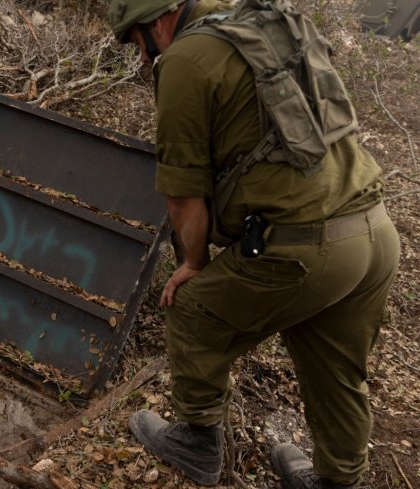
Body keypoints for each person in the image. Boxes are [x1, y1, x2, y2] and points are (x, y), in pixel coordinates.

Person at [106, 0, 401, 487]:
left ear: (158, 20)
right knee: (336, 366)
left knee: (191, 310)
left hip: (308, 248)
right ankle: (338, 480)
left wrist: (194, 264)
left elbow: (183, 197)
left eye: (137, 41)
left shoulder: (183, 58)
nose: (141, 56)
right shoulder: (261, 24)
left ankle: (196, 443)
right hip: (373, 231)